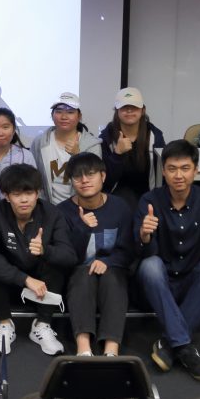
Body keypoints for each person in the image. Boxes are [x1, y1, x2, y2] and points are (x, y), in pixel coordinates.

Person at [136, 139, 200, 381]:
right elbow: (146, 255)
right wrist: (145, 236)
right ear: (163, 171)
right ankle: (185, 348)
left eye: (185, 168)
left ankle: (170, 344)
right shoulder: (149, 201)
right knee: (149, 266)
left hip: (192, 281)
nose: (178, 175)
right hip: (161, 284)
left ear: (196, 170)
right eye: (171, 169)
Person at [0, 164, 77, 357]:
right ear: (6, 196)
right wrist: (24, 279)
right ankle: (5, 324)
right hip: (10, 285)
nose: (24, 199)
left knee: (56, 262)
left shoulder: (52, 214)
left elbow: (70, 256)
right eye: (16, 194)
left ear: (38, 193)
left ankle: (42, 325)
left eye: (29, 193)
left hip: (42, 287)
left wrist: (44, 250)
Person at [56, 152, 135, 356]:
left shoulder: (120, 207)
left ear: (103, 176)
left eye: (90, 174)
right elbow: (66, 257)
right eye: (77, 176)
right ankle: (84, 348)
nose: (84, 180)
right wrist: (83, 229)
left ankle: (111, 349)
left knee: (112, 276)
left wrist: (108, 260)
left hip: (113, 269)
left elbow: (128, 250)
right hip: (78, 271)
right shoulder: (62, 212)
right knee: (83, 275)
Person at [30, 92, 102, 204]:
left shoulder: (92, 145)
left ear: (79, 116)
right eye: (58, 111)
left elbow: (93, 182)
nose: (64, 117)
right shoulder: (40, 142)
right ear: (52, 115)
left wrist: (77, 154)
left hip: (80, 207)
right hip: (48, 208)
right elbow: (34, 179)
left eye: (70, 112)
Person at [99, 87, 165, 208]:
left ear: (143, 110)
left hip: (150, 196)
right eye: (124, 107)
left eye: (134, 107)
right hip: (115, 197)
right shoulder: (106, 137)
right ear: (117, 111)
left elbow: (162, 173)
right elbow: (103, 180)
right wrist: (117, 154)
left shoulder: (155, 136)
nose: (129, 110)